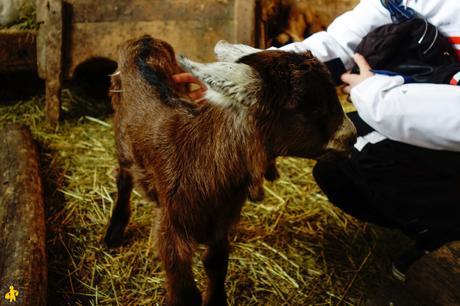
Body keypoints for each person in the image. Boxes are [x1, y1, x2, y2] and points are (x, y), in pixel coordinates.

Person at [174, 0, 460, 281]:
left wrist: (377, 95)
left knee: (361, 149)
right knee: (337, 168)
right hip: (418, 111)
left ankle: (446, 237)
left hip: (441, 124)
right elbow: (339, 44)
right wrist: (255, 74)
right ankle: (433, 226)